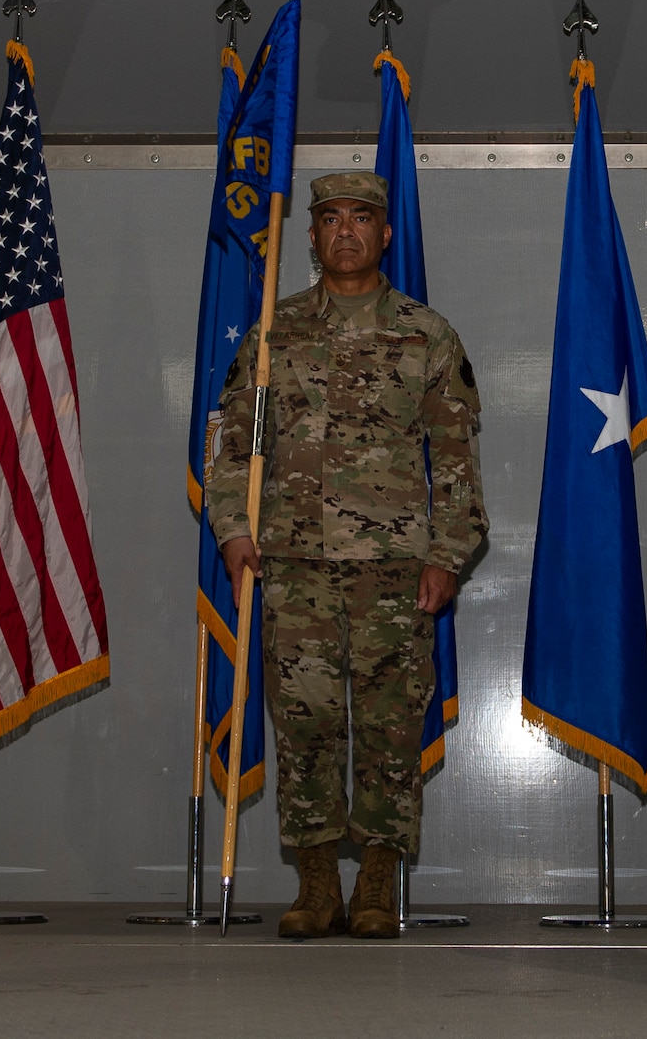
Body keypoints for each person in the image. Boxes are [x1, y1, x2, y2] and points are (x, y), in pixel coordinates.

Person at [209, 171, 487, 940]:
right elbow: (235, 445)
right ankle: (316, 886)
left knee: (392, 729)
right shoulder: (276, 333)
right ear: (312, 236)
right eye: (330, 219)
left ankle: (377, 885)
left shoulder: (427, 335)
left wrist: (448, 554)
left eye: (361, 218)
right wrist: (234, 532)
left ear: (385, 233)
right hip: (292, 568)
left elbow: (457, 457)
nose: (345, 232)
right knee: (306, 727)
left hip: (396, 571)